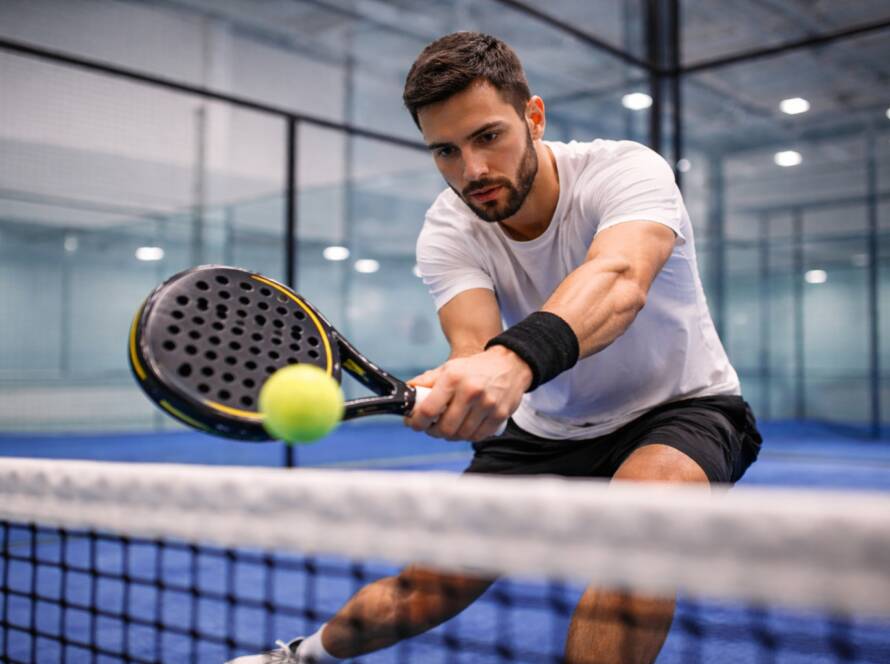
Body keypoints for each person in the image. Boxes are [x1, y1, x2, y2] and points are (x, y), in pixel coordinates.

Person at [229, 31, 762, 664]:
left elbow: (618, 283)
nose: (471, 171)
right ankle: (298, 657)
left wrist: (511, 363)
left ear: (533, 117)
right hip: (545, 429)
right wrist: (463, 387)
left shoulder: (626, 170)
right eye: (445, 151)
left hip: (679, 407)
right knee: (424, 589)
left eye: (488, 137)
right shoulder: (449, 226)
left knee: (640, 541)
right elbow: (473, 345)